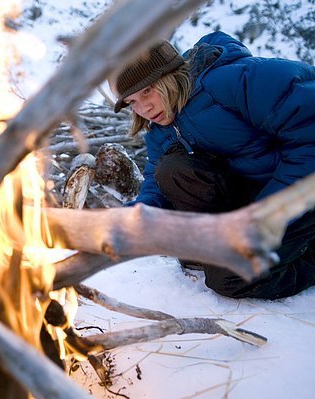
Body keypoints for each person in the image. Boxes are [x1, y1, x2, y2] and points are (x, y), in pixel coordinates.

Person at [108, 31, 315, 299]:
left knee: (229, 279)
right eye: (132, 102)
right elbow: (156, 184)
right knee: (171, 169)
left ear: (170, 74)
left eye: (147, 91)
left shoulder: (233, 81)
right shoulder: (161, 128)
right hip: (257, 195)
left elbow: (310, 135)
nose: (144, 108)